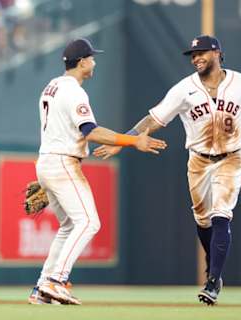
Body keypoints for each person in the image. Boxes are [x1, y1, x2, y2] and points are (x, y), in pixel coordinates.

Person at [94, 35, 241, 305]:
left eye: (201, 52)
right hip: (199, 160)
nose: (196, 58)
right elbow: (154, 119)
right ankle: (213, 265)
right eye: (193, 55)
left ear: (217, 53)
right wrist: (124, 140)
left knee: (221, 214)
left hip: (231, 157)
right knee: (202, 220)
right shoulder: (183, 89)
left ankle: (213, 281)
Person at [28, 38, 167, 305]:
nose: (94, 62)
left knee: (69, 225)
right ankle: (55, 281)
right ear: (81, 63)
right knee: (89, 222)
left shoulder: (51, 86)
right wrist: (133, 140)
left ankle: (42, 287)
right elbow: (91, 132)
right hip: (62, 161)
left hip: (46, 160)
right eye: (91, 58)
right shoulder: (74, 92)